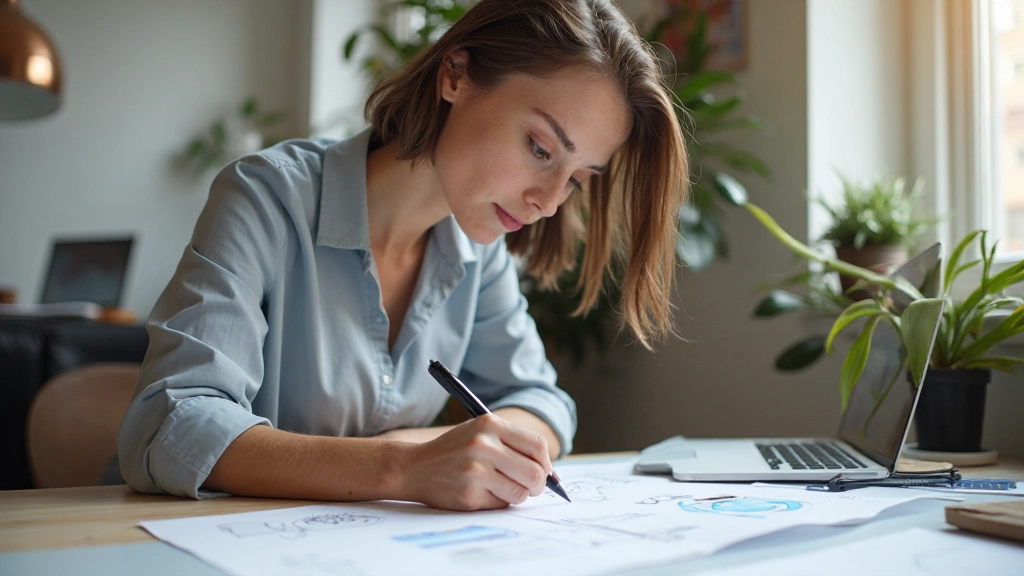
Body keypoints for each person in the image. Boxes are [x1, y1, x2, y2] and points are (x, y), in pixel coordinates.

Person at [117, 0, 687, 511]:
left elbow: (540, 402)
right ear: (456, 75)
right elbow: (169, 425)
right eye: (539, 147)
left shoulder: (476, 246)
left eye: (577, 179)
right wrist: (404, 466)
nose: (546, 202)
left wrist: (471, 450)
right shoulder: (266, 199)